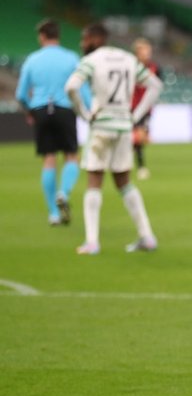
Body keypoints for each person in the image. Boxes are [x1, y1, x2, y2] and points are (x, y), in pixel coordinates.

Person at [64, 22, 163, 254]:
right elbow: (155, 85)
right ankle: (147, 236)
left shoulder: (92, 60)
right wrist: (135, 116)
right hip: (123, 126)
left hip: (101, 126)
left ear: (95, 39)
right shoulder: (127, 58)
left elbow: (71, 87)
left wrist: (84, 114)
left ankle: (92, 242)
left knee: (94, 181)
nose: (82, 43)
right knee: (124, 182)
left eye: (84, 38)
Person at [15, 19, 83, 226]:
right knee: (71, 155)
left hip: (41, 110)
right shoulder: (71, 58)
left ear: (42, 36)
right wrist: (87, 111)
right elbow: (81, 88)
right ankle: (64, 192)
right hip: (64, 109)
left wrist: (30, 111)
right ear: (58, 35)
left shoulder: (32, 59)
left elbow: (20, 94)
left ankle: (53, 213)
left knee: (49, 158)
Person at [131, 37, 162, 180]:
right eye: (144, 50)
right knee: (138, 137)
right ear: (137, 52)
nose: (147, 53)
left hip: (146, 109)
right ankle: (141, 167)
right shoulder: (131, 67)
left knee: (140, 138)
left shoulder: (155, 68)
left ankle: (134, 162)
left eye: (149, 51)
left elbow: (158, 86)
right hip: (131, 107)